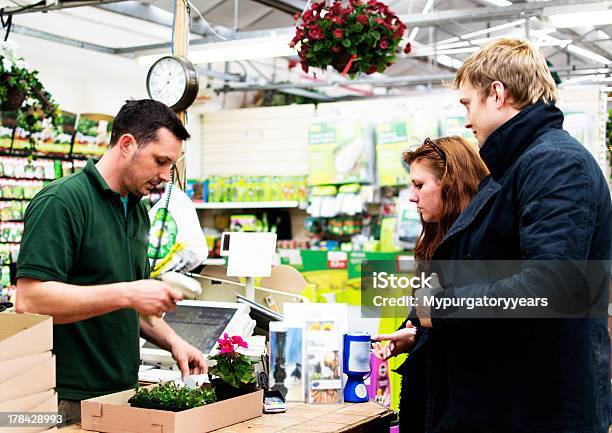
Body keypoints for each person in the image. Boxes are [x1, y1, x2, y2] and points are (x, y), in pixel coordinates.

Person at [386, 38, 611, 433]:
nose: (467, 121)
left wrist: (439, 309)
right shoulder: (518, 166)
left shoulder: (555, 163)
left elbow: (549, 287)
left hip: (539, 409)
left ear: (497, 93)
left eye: (467, 104)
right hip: (508, 401)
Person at [15, 99, 208, 425]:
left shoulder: (136, 211)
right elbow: (29, 300)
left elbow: (133, 307)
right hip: (66, 397)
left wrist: (174, 342)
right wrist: (130, 293)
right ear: (127, 144)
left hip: (121, 393)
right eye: (160, 161)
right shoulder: (62, 202)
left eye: (170, 166)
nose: (164, 176)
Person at [372, 136, 490, 433]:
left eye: (419, 185)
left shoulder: (483, 245)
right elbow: (424, 313)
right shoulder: (434, 241)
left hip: (463, 406)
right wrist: (410, 335)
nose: (412, 196)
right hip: (427, 399)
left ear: (451, 183)